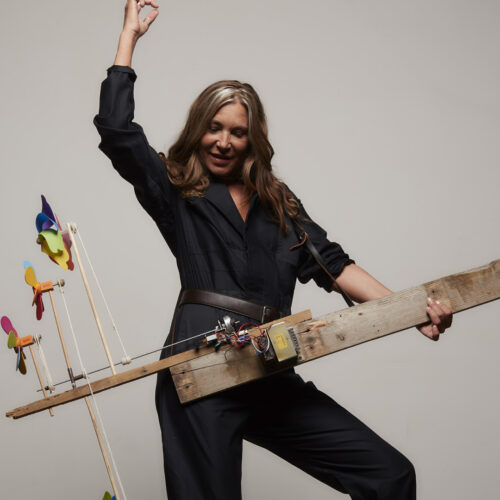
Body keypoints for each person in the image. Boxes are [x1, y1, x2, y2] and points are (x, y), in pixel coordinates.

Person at [94, 1, 453, 499]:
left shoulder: (278, 202)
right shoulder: (175, 188)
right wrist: (128, 38)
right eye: (214, 128)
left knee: (389, 475)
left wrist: (413, 311)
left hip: (268, 365)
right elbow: (117, 132)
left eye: (237, 132)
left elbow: (335, 264)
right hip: (199, 372)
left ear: (253, 139)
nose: (223, 142)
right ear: (199, 130)